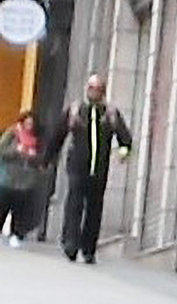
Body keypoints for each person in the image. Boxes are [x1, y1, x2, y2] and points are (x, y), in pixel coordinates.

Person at [44, 74, 134, 264]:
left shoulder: (110, 113)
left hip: (99, 168)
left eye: (98, 88)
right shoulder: (76, 110)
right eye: (92, 88)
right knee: (74, 203)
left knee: (94, 208)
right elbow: (58, 134)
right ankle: (71, 243)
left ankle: (89, 248)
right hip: (77, 165)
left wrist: (124, 151)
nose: (95, 92)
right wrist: (48, 157)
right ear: (87, 89)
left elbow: (124, 137)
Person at [0, 111, 44, 247]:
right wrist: (17, 150)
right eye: (27, 123)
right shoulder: (12, 133)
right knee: (2, 206)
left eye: (32, 123)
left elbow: (43, 158)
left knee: (20, 208)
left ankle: (16, 233)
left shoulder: (37, 139)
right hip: (9, 177)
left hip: (26, 180)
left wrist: (33, 157)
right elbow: (2, 150)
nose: (29, 126)